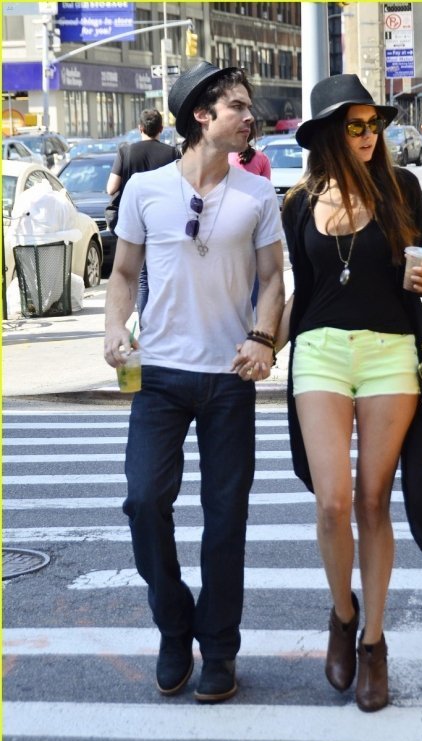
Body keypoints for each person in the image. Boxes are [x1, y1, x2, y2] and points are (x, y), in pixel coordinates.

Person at [104, 62, 285, 703]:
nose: (249, 116)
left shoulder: (258, 194)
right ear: (201, 117)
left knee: (225, 518)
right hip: (158, 374)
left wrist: (263, 339)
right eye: (237, 106)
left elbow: (274, 280)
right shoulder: (145, 189)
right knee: (142, 501)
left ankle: (220, 648)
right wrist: (114, 329)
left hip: (229, 377)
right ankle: (174, 624)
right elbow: (123, 273)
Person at [276, 74, 422, 712]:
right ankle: (341, 615)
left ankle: (373, 642)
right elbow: (303, 290)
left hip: (389, 352)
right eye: (356, 126)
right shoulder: (297, 203)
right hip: (319, 351)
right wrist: (264, 342)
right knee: (332, 503)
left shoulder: (403, 189)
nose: (370, 136)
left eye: (375, 125)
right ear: (328, 134)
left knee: (373, 501)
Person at [106, 108, 179, 317]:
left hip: (134, 220)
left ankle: (145, 324)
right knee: (164, 273)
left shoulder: (126, 152)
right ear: (161, 128)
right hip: (164, 220)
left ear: (140, 128)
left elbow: (111, 188)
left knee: (143, 277)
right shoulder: (172, 153)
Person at [228, 121, 271, 309]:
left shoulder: (227, 157)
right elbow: (266, 190)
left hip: (230, 218)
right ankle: (251, 309)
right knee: (255, 265)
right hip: (255, 218)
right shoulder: (262, 159)